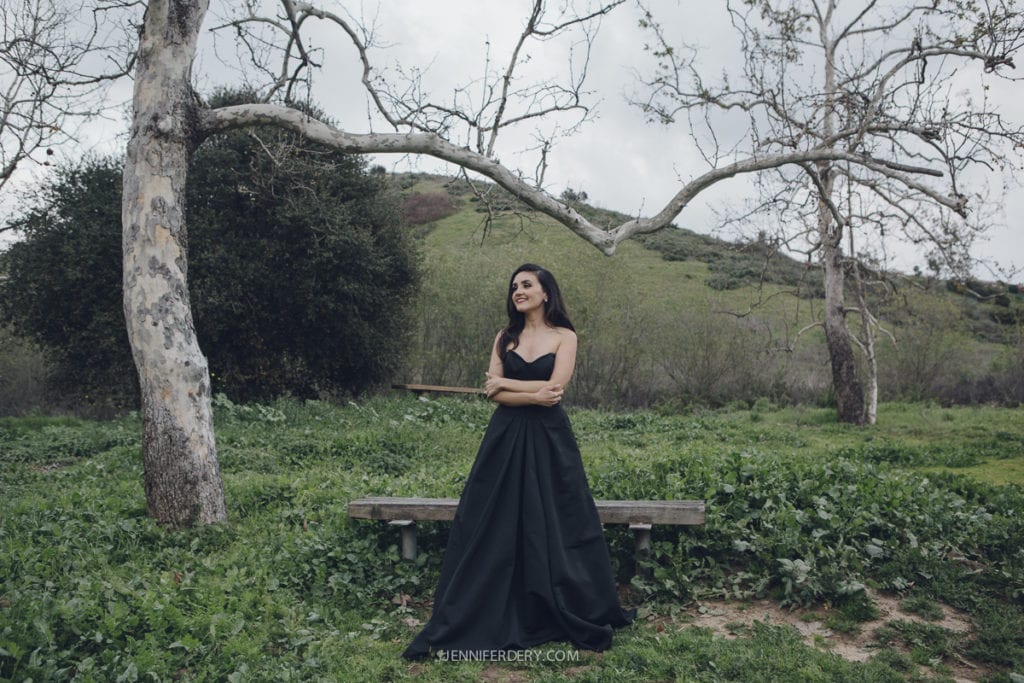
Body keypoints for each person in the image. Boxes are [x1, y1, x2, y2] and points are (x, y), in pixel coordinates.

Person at [402, 263, 635, 660]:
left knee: (558, 517)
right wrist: (526, 393)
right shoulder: (504, 337)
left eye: (527, 285)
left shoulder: (565, 336)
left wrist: (508, 383)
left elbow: (554, 389)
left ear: (546, 292)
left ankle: (559, 603)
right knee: (491, 517)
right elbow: (493, 394)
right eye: (514, 286)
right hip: (505, 437)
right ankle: (488, 605)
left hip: (549, 440)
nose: (518, 291)